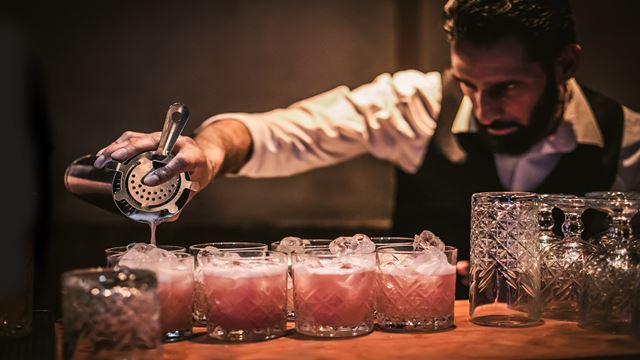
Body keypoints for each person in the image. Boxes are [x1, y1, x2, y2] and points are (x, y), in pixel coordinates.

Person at [93, 0, 640, 295]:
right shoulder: (417, 103)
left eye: (507, 88)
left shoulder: (629, 142)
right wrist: (209, 153)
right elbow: (281, 130)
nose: (482, 106)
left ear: (565, 65)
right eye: (468, 84)